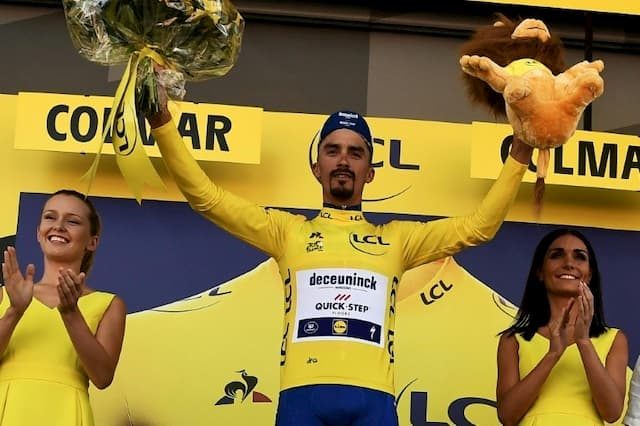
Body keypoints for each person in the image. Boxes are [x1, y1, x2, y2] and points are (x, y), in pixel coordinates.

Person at [146, 99, 532, 425]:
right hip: (302, 398)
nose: (343, 160)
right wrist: (161, 121)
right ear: (316, 167)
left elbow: (480, 227)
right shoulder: (287, 232)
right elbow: (205, 198)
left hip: (375, 401)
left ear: (370, 172)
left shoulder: (397, 239)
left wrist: (520, 152)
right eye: (332, 150)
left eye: (355, 152)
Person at [0, 189, 126, 425]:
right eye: (50, 217)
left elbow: (102, 376)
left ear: (92, 241)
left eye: (73, 221)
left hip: (67, 411)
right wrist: (14, 311)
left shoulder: (110, 304)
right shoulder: (5, 295)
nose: (58, 226)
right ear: (38, 233)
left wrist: (71, 313)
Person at [496, 228, 628, 426]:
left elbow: (611, 412)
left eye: (580, 257)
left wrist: (583, 342)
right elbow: (507, 416)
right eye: (557, 255)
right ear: (540, 272)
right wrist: (553, 354)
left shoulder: (615, 339)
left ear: (589, 274)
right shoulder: (513, 340)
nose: (568, 264)